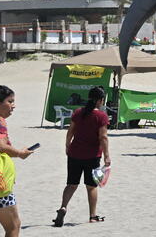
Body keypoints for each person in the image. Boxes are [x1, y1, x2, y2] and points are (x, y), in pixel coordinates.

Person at [53, 85, 111, 226]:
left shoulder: (78, 112)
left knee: (71, 184)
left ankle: (63, 207)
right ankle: (92, 215)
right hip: (92, 156)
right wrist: (107, 156)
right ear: (101, 100)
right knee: (91, 187)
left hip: (74, 153)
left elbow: (70, 131)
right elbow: (103, 138)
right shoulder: (101, 116)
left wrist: (67, 145)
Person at [0, 85, 34, 237]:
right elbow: (2, 147)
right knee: (13, 226)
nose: (13, 106)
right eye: (10, 101)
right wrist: (20, 153)